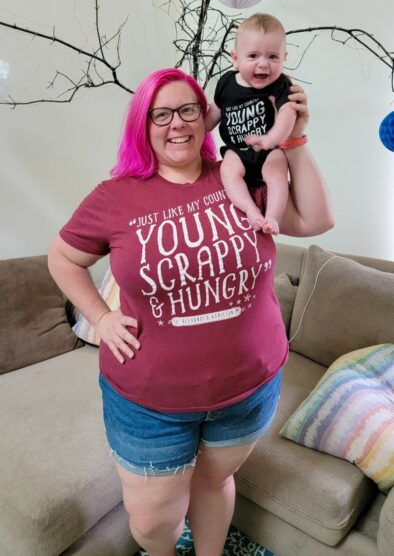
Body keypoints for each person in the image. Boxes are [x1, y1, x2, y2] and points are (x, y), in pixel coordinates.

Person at [48, 67, 333, 556]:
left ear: (206, 117)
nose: (176, 123)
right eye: (161, 114)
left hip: (248, 387)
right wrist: (101, 317)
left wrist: (297, 137)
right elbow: (63, 257)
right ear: (143, 125)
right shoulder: (115, 197)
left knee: (215, 480)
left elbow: (316, 219)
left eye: (187, 110)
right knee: (153, 519)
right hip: (149, 402)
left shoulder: (238, 172)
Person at [205, 13, 298, 234]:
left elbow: (287, 113)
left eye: (273, 57)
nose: (263, 64)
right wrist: (199, 127)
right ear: (235, 58)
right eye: (254, 56)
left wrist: (271, 139)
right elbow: (216, 112)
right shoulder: (226, 83)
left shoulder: (280, 85)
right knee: (228, 171)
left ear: (284, 58)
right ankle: (250, 209)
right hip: (238, 150)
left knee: (276, 174)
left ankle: (272, 217)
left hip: (269, 149)